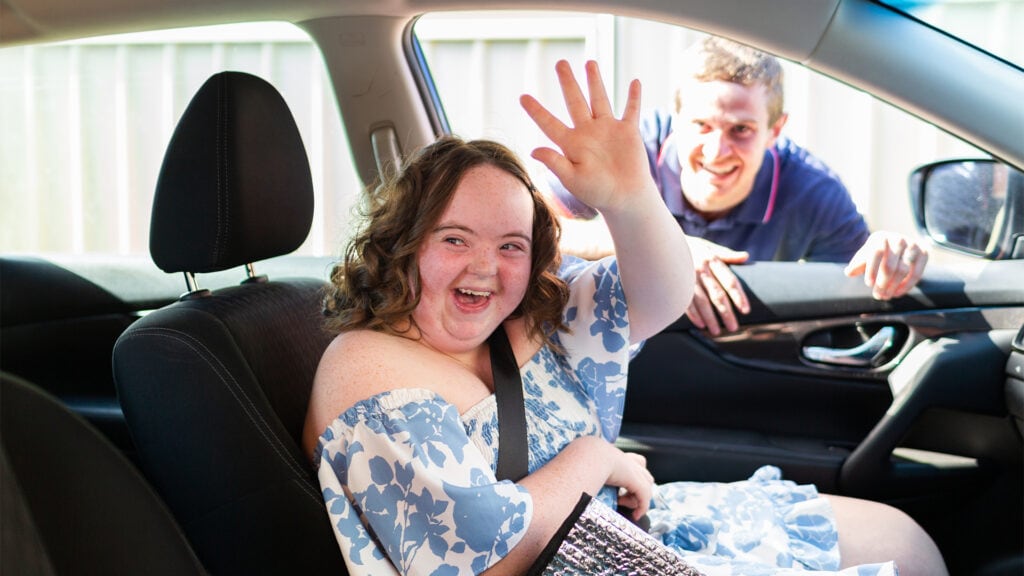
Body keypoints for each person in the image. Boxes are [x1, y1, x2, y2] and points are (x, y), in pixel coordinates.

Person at [302, 60, 947, 575]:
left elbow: (659, 297)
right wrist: (595, 457)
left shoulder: (525, 318)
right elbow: (487, 563)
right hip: (579, 553)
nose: (486, 268)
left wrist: (631, 200)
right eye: (454, 239)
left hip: (619, 539)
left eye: (511, 246)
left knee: (905, 540)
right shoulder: (367, 366)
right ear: (403, 241)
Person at [549, 36, 930, 336]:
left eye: (741, 130)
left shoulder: (813, 190)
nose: (716, 151)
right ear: (676, 117)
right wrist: (667, 251)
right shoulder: (630, 153)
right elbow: (536, 232)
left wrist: (887, 254)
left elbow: (859, 291)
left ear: (774, 132)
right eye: (701, 125)